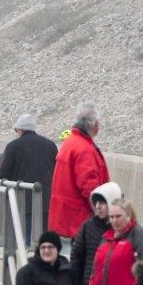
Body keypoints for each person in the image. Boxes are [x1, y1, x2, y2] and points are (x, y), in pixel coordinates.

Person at [70, 181, 124, 285]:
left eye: (103, 203)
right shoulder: (88, 227)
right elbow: (76, 257)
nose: (98, 207)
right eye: (96, 203)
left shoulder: (123, 230)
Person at [48, 102, 110, 238]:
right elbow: (89, 186)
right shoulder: (84, 149)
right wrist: (102, 210)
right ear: (95, 124)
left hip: (63, 219)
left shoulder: (69, 143)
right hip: (78, 221)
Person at [0, 113, 58, 245]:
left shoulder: (13, 146)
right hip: (46, 200)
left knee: (27, 241)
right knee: (45, 240)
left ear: (21, 130)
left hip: (24, 202)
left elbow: (3, 175)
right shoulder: (50, 145)